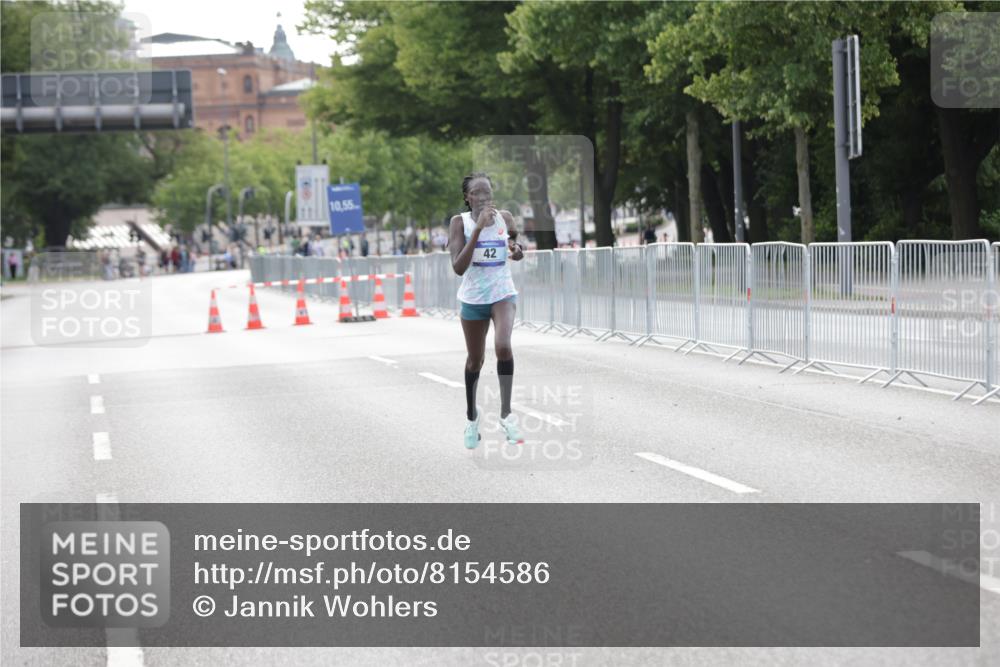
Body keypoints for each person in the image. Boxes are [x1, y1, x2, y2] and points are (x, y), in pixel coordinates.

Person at [449, 172, 525, 450]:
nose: (483, 198)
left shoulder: (505, 217)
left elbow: (514, 245)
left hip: (502, 293)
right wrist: (478, 229)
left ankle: (506, 414)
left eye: (487, 193)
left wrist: (517, 250)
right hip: (473, 299)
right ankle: (472, 418)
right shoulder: (460, 222)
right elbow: (458, 267)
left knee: (503, 346)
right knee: (475, 361)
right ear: (467, 197)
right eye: (477, 193)